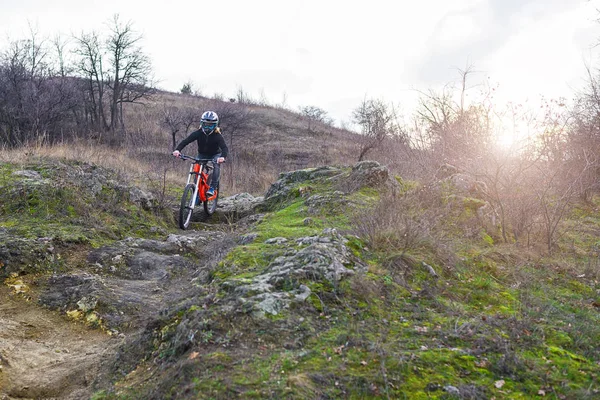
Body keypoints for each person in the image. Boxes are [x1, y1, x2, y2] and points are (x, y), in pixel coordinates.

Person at [172, 111, 228, 196]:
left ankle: (212, 187)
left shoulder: (217, 136)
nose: (208, 127)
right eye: (206, 124)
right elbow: (185, 141)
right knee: (197, 169)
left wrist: (222, 157)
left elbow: (224, 148)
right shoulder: (198, 133)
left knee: (216, 165)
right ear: (202, 123)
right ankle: (196, 190)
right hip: (202, 154)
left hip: (215, 154)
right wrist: (177, 150)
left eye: (210, 124)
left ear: (215, 125)